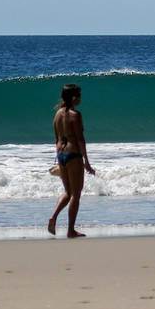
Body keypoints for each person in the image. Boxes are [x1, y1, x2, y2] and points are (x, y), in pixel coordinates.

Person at [48, 83, 95, 238]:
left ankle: (53, 216)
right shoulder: (76, 115)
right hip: (73, 155)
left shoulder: (57, 115)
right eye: (79, 96)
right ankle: (70, 230)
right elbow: (80, 140)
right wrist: (86, 162)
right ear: (74, 98)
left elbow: (57, 139)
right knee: (76, 194)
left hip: (60, 155)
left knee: (68, 192)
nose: (81, 99)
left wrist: (60, 156)